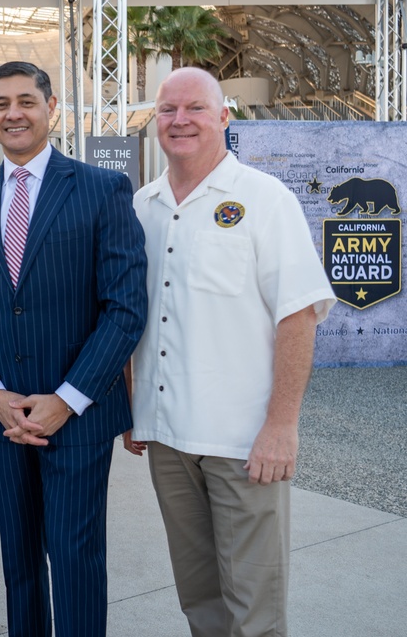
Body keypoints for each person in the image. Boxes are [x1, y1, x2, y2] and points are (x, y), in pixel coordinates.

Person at [124, 67, 336, 637]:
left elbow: (298, 315)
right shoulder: (142, 207)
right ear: (155, 124)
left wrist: (281, 426)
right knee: (201, 601)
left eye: (195, 108)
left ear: (223, 117)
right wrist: (132, 405)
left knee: (254, 610)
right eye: (168, 110)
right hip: (166, 438)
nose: (180, 120)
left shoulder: (265, 200)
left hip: (243, 444)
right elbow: (131, 316)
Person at [0, 61, 148, 637]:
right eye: (1, 102)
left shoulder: (103, 189)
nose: (14, 113)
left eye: (26, 101)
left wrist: (67, 398)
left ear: (51, 109)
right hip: (3, 421)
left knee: (77, 562)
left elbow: (125, 308)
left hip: (77, 420)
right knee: (19, 563)